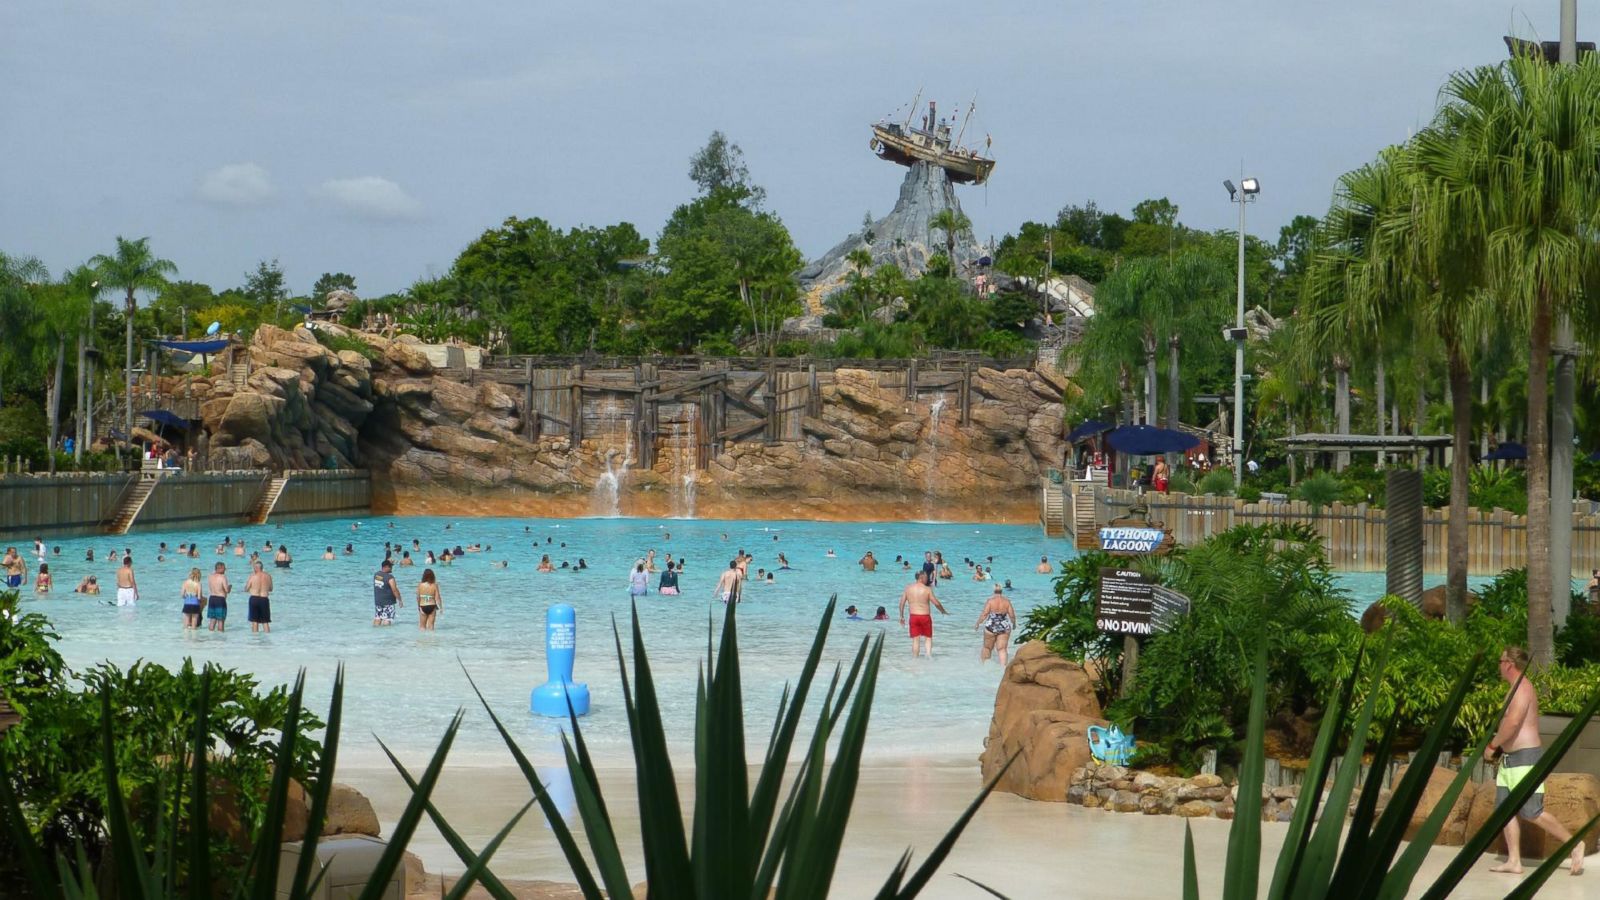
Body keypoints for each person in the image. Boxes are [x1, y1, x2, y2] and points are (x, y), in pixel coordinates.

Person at [1485, 645, 1585, 876]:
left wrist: (1492, 745)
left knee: (1531, 811)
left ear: (1509, 663)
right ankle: (1514, 861)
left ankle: (1575, 844)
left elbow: (1513, 722)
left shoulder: (1522, 689)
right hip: (1510, 760)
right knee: (1505, 811)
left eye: (1501, 661)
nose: (1499, 666)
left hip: (1525, 759)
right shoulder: (1513, 688)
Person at [898, 571, 947, 658]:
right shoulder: (927, 589)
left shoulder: (908, 588)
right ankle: (928, 656)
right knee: (928, 637)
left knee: (915, 639)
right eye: (926, 577)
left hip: (913, 616)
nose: (927, 579)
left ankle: (915, 659)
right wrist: (943, 611)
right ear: (921, 577)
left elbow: (901, 603)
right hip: (925, 617)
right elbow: (936, 603)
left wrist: (901, 616)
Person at [975, 585, 1018, 665]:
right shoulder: (1007, 601)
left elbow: (985, 614)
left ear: (994, 591)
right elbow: (1012, 615)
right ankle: (1002, 668)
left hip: (991, 625)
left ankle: (984, 666)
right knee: (1002, 649)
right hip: (1004, 626)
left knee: (987, 648)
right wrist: (1014, 623)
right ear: (1002, 591)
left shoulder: (990, 601)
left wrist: (978, 623)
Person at [246, 560, 273, 634]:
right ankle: (268, 639)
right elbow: (271, 589)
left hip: (254, 598)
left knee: (255, 621)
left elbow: (246, 588)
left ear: (256, 568)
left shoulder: (252, 576)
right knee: (265, 621)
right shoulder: (268, 576)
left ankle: (255, 640)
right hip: (264, 599)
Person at [372, 559, 401, 626]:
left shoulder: (376, 575)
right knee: (387, 619)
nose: (391, 568)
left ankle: (375, 633)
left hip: (378, 602)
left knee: (378, 618)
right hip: (388, 602)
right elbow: (394, 590)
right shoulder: (390, 577)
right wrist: (400, 600)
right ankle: (386, 635)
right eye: (390, 566)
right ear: (385, 567)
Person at [207, 563, 231, 632]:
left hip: (212, 598)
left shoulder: (210, 576)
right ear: (219, 568)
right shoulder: (223, 577)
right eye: (224, 568)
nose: (225, 569)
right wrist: (230, 587)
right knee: (221, 620)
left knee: (212, 619)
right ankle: (220, 638)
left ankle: (211, 636)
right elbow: (227, 590)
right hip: (220, 599)